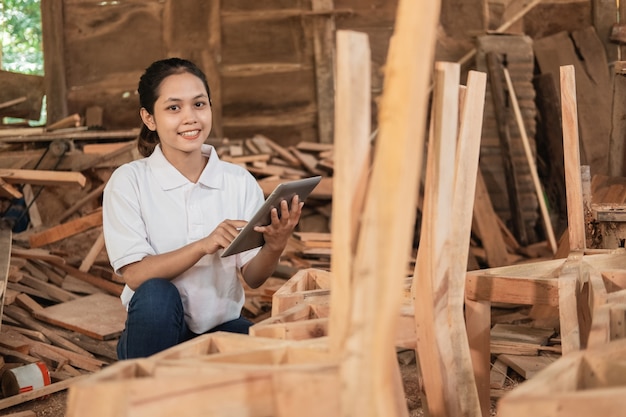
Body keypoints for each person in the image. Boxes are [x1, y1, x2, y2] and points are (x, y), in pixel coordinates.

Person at [102, 57, 303, 360]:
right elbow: (135, 275)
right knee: (157, 294)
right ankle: (146, 394)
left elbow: (253, 277)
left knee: (267, 358)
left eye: (199, 104)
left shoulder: (238, 181)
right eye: (173, 108)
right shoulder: (130, 181)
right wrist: (203, 245)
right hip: (155, 336)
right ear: (149, 118)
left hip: (218, 329)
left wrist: (275, 245)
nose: (190, 117)